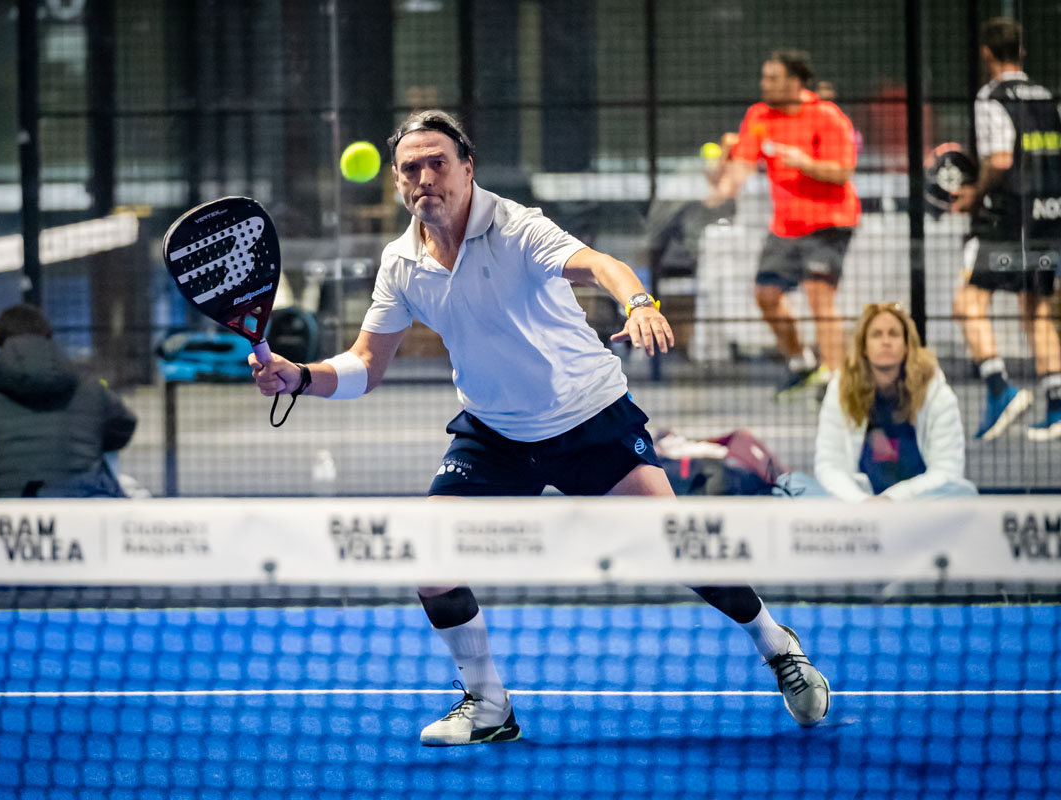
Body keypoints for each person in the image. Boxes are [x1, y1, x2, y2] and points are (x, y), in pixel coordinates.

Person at [251, 110, 831, 745]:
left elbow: (602, 265)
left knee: (679, 544)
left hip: (588, 415)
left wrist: (639, 303)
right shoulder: (401, 263)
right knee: (429, 560)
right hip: (495, 432)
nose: (425, 178)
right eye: (411, 169)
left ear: (467, 169)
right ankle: (488, 706)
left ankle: (777, 645)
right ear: (397, 181)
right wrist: (298, 376)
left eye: (438, 163)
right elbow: (366, 364)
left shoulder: (517, 228)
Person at [707, 50, 861, 398]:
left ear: (795, 82)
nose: (764, 84)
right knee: (766, 295)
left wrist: (805, 163)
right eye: (764, 77)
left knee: (819, 295)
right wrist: (723, 182)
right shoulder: (759, 116)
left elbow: (843, 172)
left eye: (773, 78)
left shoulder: (827, 116)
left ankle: (834, 380)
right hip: (785, 226)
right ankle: (801, 362)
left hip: (830, 220)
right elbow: (741, 167)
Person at [950, 18, 1061, 441]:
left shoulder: (991, 97)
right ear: (1022, 52)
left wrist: (974, 195)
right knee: (1036, 311)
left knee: (967, 305)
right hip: (1049, 216)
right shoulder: (1047, 96)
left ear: (986, 54)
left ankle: (1000, 390)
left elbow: (999, 159)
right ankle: (1057, 406)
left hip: (1007, 220)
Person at [781, 302, 976, 500]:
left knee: (964, 491)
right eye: (876, 335)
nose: (886, 341)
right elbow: (829, 466)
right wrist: (862, 502)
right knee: (790, 484)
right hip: (857, 506)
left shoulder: (937, 394)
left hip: (917, 504)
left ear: (907, 345)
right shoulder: (840, 389)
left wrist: (891, 499)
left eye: (894, 334)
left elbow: (946, 470)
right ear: (864, 347)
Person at [0, 304, 137, 498]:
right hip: (81, 500)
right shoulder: (90, 387)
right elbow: (123, 427)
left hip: (0, 504)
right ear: (47, 334)